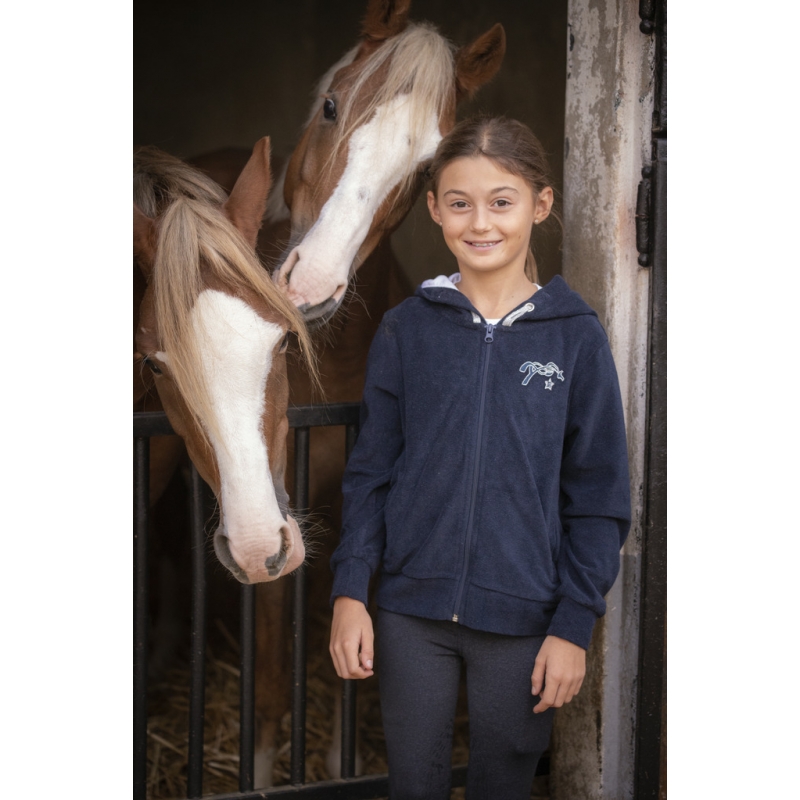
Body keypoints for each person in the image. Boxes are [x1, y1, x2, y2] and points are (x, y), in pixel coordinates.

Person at [328, 116, 631, 799]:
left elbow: (599, 500)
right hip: (410, 615)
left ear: (540, 205)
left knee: (503, 787)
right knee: (415, 786)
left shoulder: (575, 339)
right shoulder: (408, 329)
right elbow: (371, 475)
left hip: (525, 621)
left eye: (502, 201)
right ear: (434, 209)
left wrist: (573, 626)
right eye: (460, 203)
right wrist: (350, 591)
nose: (481, 222)